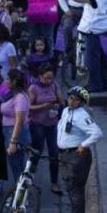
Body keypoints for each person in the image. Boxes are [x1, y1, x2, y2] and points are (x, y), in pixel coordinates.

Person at [57, 86, 103, 213]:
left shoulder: (82, 116)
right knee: (70, 188)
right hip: (65, 154)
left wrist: (83, 145)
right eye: (71, 98)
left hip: (76, 156)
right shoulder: (66, 110)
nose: (72, 101)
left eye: (76, 100)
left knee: (76, 190)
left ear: (81, 102)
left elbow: (97, 133)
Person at [72, 0, 107, 93]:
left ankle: (95, 86)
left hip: (93, 31)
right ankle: (105, 85)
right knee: (105, 59)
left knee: (92, 61)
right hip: (106, 28)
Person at [28, 63, 64, 194]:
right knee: (36, 152)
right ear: (40, 76)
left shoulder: (54, 85)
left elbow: (61, 101)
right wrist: (43, 106)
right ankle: (29, 179)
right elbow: (28, 107)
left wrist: (57, 104)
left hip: (52, 124)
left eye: (51, 78)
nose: (49, 81)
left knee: (54, 154)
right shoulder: (34, 88)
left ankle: (54, 183)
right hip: (38, 124)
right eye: (46, 78)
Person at [2, 68, 32, 182]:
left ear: (13, 82)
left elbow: (19, 121)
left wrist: (13, 142)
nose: (5, 81)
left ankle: (21, 197)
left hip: (16, 134)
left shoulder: (20, 98)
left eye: (7, 79)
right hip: (9, 132)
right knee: (16, 166)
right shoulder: (12, 94)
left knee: (17, 167)